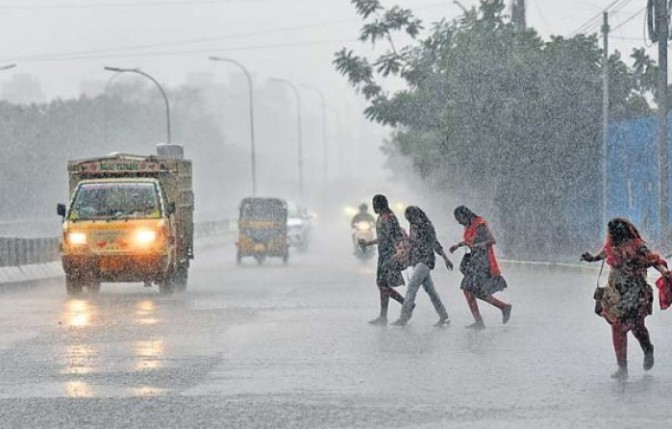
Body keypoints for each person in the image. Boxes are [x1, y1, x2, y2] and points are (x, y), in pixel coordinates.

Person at [581, 217, 670, 379]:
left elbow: (654, 260)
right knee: (617, 327)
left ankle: (647, 348)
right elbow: (604, 252)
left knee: (636, 326)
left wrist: (664, 271)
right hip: (616, 294)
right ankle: (622, 368)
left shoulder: (638, 246)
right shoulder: (612, 245)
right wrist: (592, 258)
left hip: (634, 294)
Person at [450, 205, 512, 329]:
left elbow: (491, 240)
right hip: (475, 261)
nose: (458, 222)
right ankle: (503, 307)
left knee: (468, 288)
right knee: (475, 291)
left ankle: (482, 320)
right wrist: (458, 245)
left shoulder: (480, 225)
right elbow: (470, 241)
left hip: (483, 262)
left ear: (464, 215)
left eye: (459, 218)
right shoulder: (469, 226)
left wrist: (479, 246)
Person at [391, 206, 453, 327]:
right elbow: (413, 243)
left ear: (417, 215)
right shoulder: (413, 227)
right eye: (408, 220)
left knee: (411, 288)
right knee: (431, 292)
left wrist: (445, 258)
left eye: (411, 219)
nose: (411, 222)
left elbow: (435, 243)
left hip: (425, 260)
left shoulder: (427, 227)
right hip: (417, 260)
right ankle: (443, 315)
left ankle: (404, 317)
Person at [360, 195, 407, 325]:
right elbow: (382, 238)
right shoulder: (381, 217)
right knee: (383, 285)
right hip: (383, 255)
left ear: (380, 204)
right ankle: (383, 316)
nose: (373, 207)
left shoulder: (390, 218)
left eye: (374, 204)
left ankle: (405, 303)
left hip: (390, 255)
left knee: (381, 284)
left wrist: (399, 252)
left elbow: (394, 237)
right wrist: (368, 243)